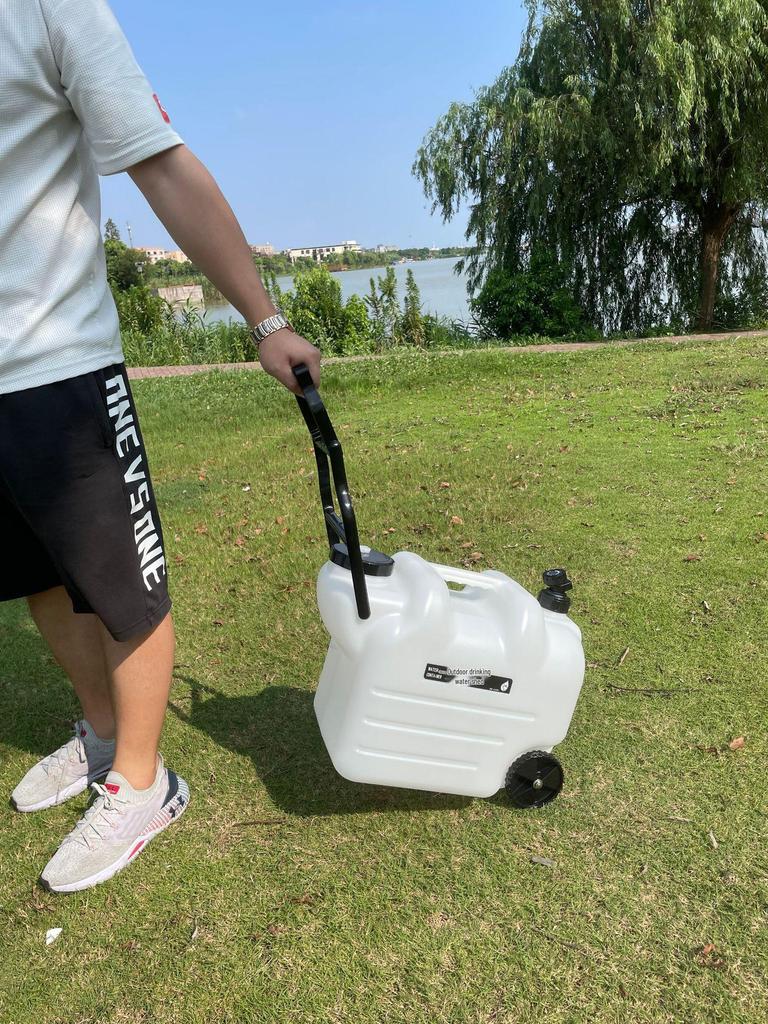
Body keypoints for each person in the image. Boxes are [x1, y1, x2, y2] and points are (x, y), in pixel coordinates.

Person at [0, 0, 321, 893]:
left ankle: (143, 784)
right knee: (31, 573)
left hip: (58, 364)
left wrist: (266, 321)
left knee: (121, 591)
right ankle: (101, 735)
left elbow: (161, 163)